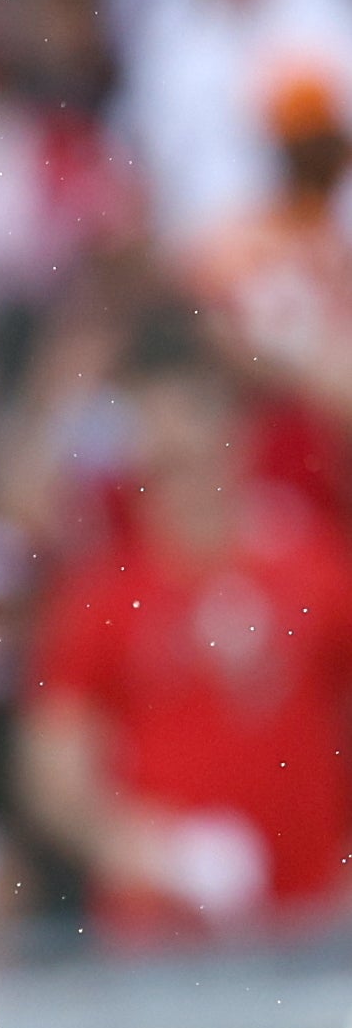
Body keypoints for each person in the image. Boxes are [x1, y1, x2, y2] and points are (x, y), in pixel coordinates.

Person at [20, 331, 352, 936]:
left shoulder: (317, 568)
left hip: (310, 924)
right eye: (161, 462)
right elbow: (55, 777)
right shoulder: (102, 595)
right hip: (164, 939)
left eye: (193, 454)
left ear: (237, 442)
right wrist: (157, 852)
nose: (179, 480)